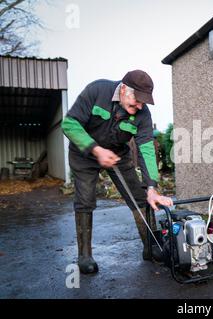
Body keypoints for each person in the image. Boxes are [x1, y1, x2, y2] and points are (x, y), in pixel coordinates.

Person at [61, 70, 173, 274]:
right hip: (84, 153)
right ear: (123, 90)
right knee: (85, 199)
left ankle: (151, 247)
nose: (140, 106)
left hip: (118, 154)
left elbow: (146, 148)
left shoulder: (143, 113)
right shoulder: (97, 91)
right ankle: (84, 255)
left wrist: (151, 187)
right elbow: (69, 124)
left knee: (141, 198)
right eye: (137, 100)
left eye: (143, 102)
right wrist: (96, 149)